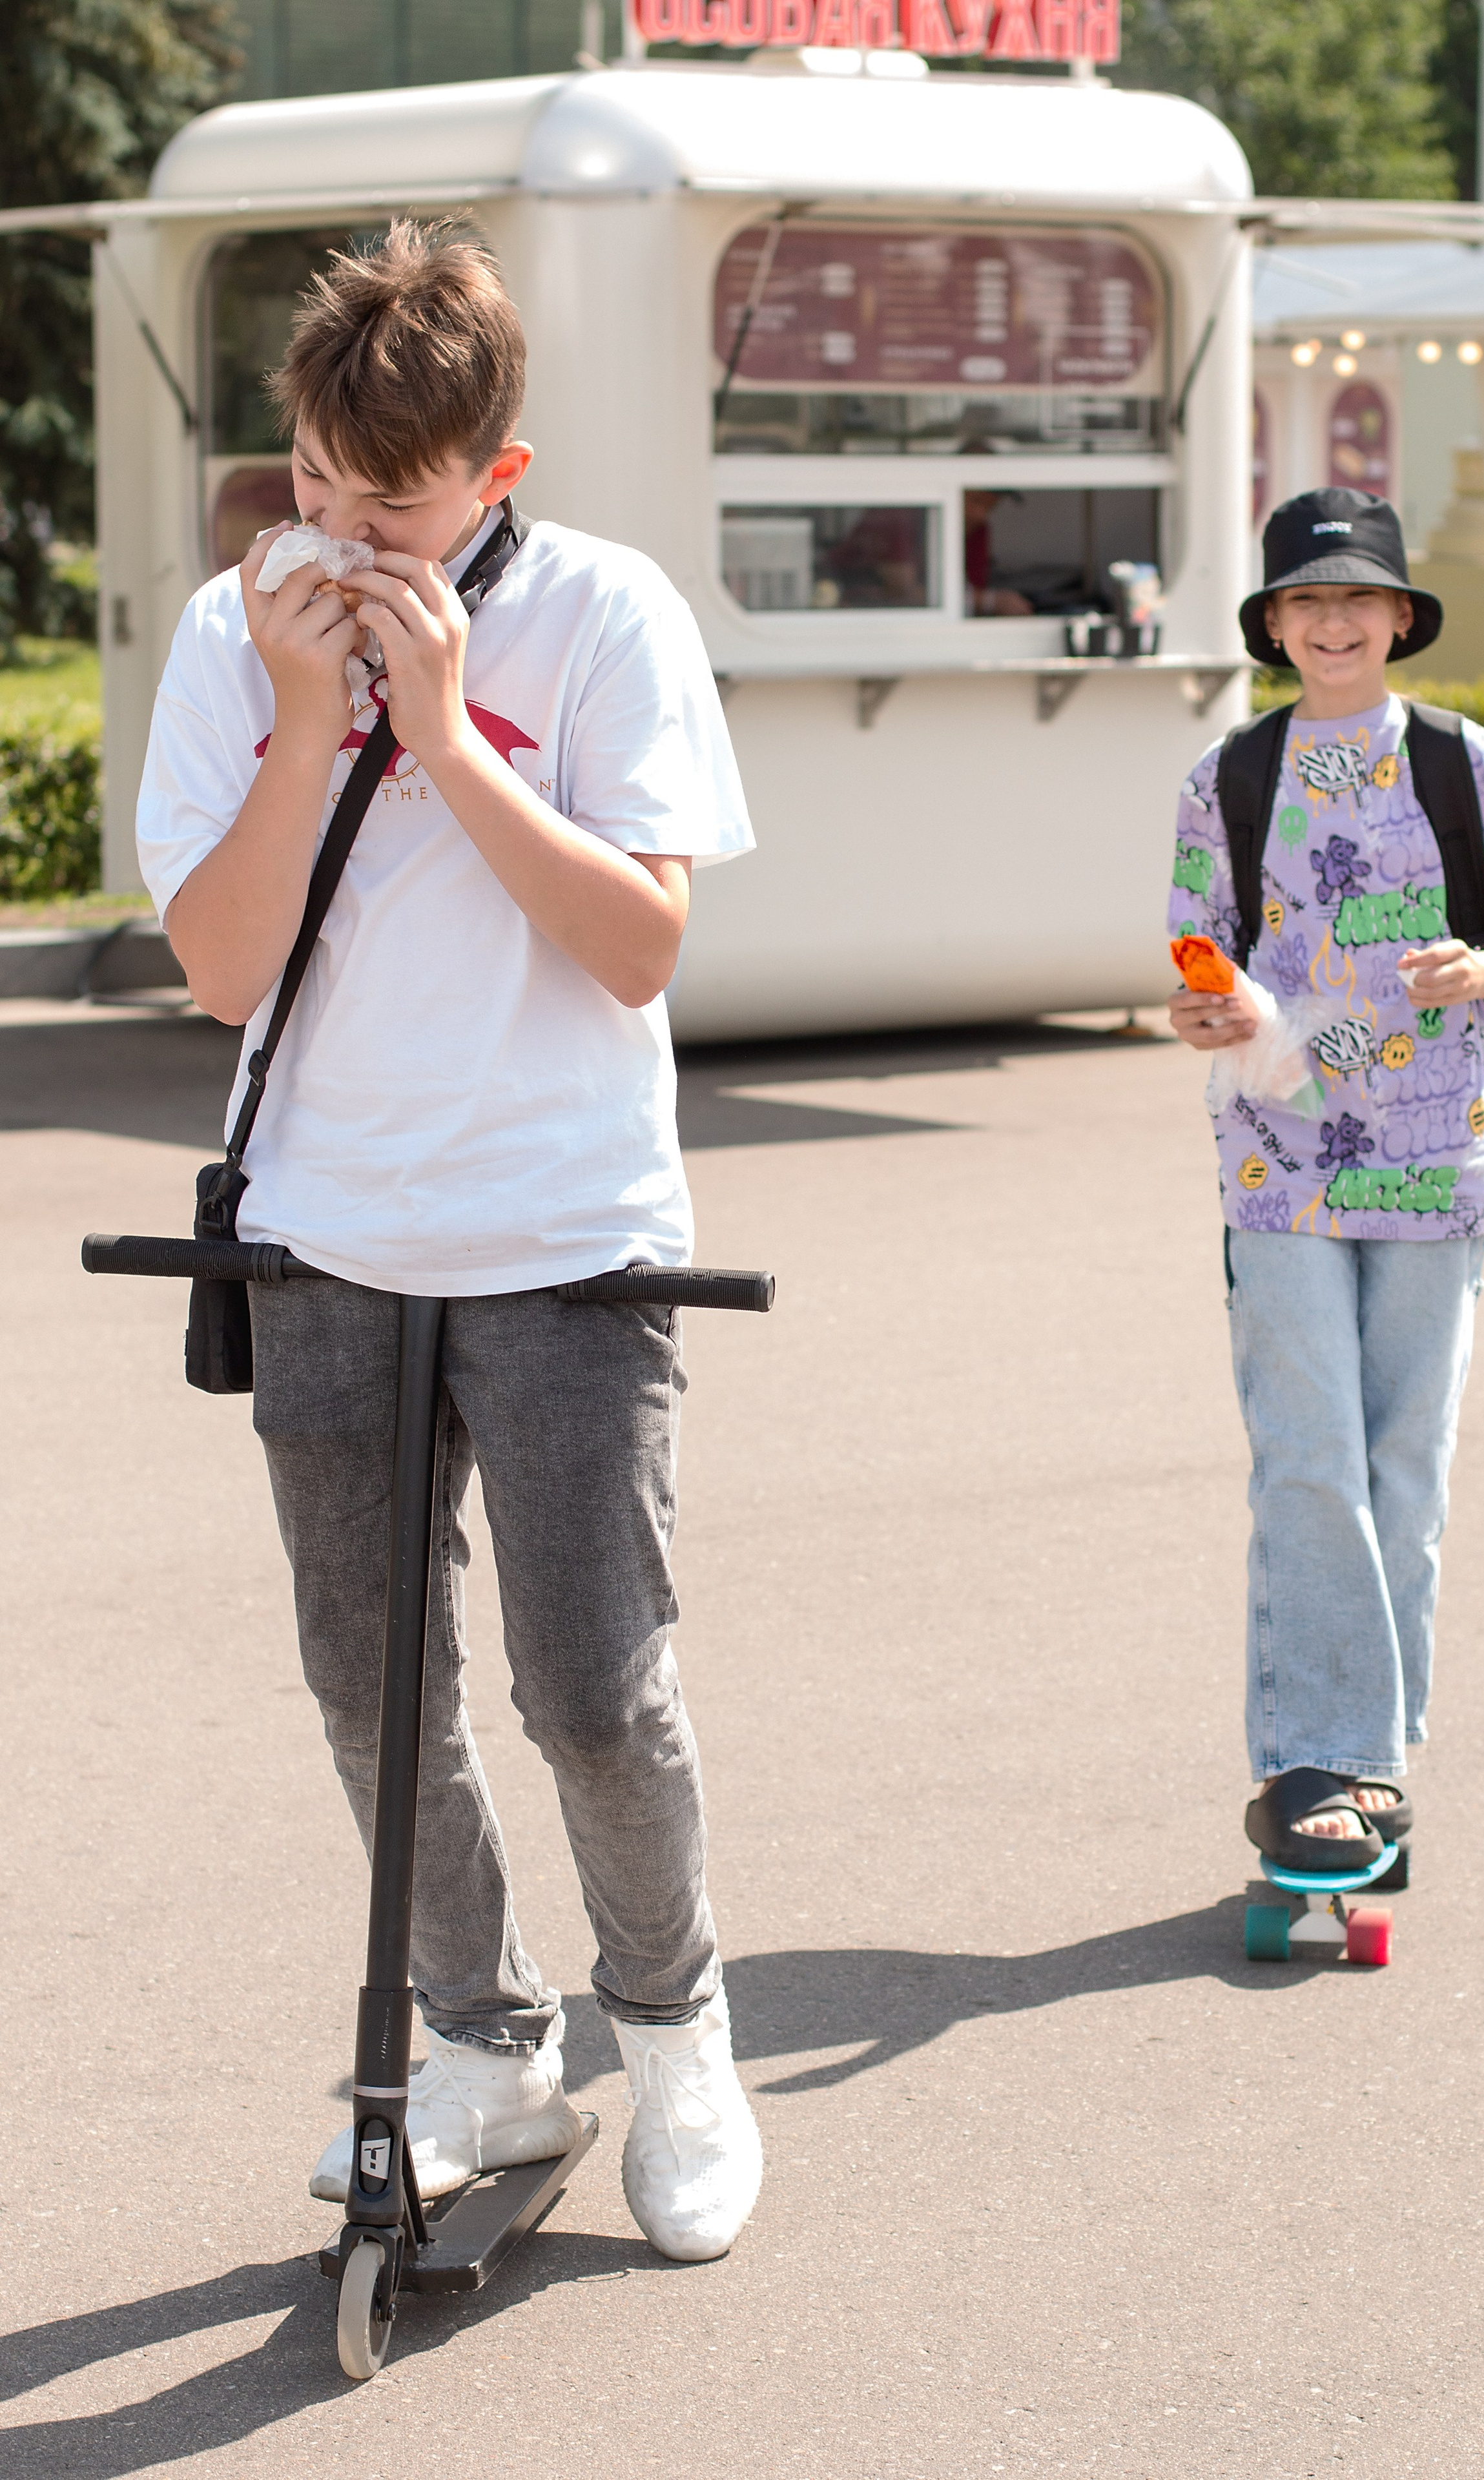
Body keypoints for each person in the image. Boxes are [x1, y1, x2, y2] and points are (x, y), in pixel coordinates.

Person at [136, 221, 765, 2262]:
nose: (338, 529)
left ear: (496, 476)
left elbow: (641, 942)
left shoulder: (606, 611)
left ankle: (673, 2038)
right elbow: (227, 971)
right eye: (310, 482)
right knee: (369, 1689)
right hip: (325, 1229)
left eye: (389, 500)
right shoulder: (238, 636)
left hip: (569, 1231)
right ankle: (486, 2047)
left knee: (596, 1689)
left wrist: (454, 721)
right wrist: (312, 714)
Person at [1167, 486, 1484, 1869]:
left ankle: (1370, 1764)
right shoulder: (1226, 776)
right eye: (1302, 599)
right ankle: (1311, 1769)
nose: (1329, 620)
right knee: (1310, 1461)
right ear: (1274, 627)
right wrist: (1207, 1012)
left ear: (1397, 619)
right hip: (1277, 1165)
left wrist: (1483, 965)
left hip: (1436, 1153)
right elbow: (1197, 964)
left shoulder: (1459, 762)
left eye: (1354, 598)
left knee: (1405, 1466)